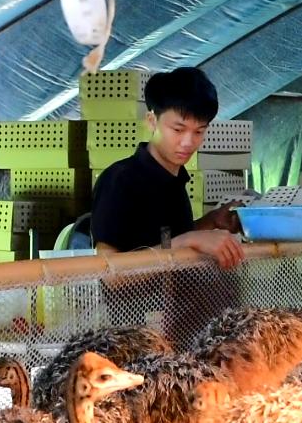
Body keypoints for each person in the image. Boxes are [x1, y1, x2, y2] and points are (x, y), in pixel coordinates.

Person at [89, 67, 245, 344]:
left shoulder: (174, 180)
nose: (188, 142)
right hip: (134, 338)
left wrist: (209, 223)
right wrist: (189, 240)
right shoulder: (121, 180)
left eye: (199, 131)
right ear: (152, 120)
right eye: (178, 129)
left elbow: (165, 239)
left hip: (181, 332)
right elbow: (110, 274)